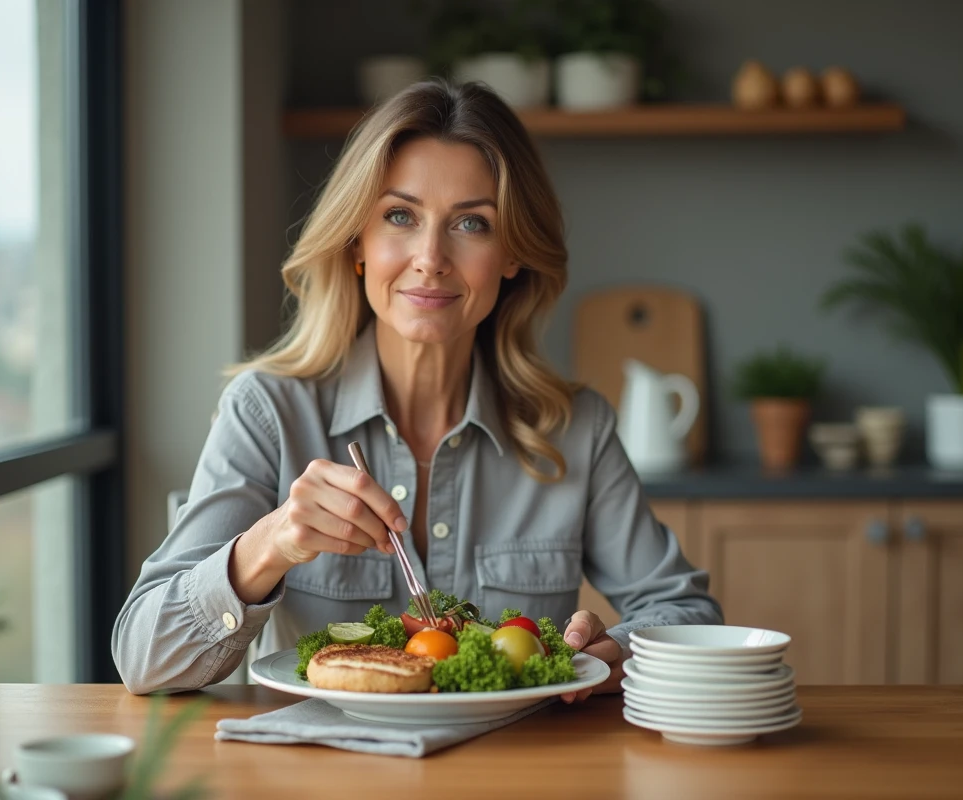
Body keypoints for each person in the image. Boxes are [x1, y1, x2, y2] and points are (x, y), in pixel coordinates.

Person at [112, 79, 722, 699]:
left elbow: (690, 615)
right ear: (357, 240)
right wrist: (271, 544)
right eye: (400, 216)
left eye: (472, 223)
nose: (431, 257)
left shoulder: (576, 428)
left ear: (512, 253)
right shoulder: (267, 410)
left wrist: (614, 651)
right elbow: (143, 658)